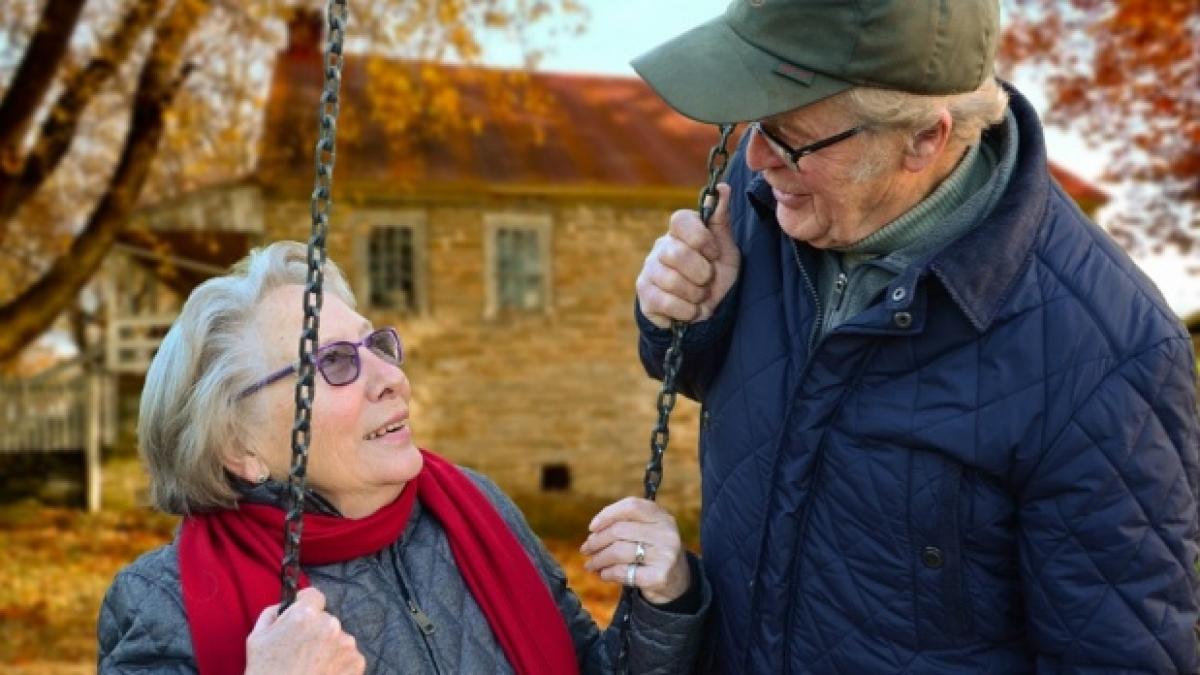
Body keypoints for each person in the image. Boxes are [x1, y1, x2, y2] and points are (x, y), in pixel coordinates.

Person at [631, 0, 1200, 672]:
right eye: (756, 121)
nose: (757, 157)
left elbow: (1118, 655)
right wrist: (686, 318)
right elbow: (722, 381)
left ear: (924, 140)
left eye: (790, 136)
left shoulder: (1106, 353)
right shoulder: (769, 196)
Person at [98, 241, 709, 674]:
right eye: (334, 362)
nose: (389, 376)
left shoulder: (474, 511)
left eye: (376, 345)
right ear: (240, 446)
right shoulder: (164, 601)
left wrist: (664, 603)